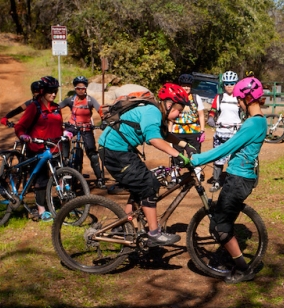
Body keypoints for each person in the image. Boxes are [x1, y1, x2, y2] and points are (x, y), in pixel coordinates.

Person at [190, 76, 267, 284]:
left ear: (248, 98)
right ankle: (233, 259)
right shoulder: (258, 121)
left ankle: (243, 269)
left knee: (221, 228)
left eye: (240, 99)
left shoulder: (252, 123)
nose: (238, 103)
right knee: (221, 223)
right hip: (239, 177)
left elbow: (226, 148)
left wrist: (197, 159)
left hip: (239, 179)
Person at [98, 83, 193, 247]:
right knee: (148, 184)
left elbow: (164, 134)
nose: (179, 114)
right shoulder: (153, 112)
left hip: (121, 150)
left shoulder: (157, 113)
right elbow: (154, 139)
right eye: (178, 109)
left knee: (142, 184)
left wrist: (184, 145)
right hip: (114, 151)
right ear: (169, 104)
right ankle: (154, 234)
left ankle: (122, 226)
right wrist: (177, 155)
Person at [13, 76, 71, 222]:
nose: (54, 94)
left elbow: (59, 126)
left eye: (55, 91)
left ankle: (66, 205)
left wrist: (65, 133)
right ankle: (42, 211)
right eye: (50, 91)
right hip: (37, 149)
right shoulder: (34, 107)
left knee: (61, 177)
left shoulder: (57, 108)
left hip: (54, 148)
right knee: (41, 181)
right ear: (43, 91)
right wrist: (23, 136)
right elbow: (20, 126)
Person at [59, 76, 105, 189]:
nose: (80, 90)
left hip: (86, 128)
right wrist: (56, 119)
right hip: (72, 127)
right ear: (75, 88)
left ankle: (99, 178)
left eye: (83, 88)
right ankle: (65, 161)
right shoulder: (70, 100)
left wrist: (103, 120)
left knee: (92, 154)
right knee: (64, 138)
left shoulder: (90, 100)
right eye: (78, 88)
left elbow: (100, 109)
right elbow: (56, 107)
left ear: (86, 88)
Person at [206, 71, 241, 192]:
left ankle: (232, 183)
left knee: (234, 158)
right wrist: (210, 118)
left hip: (235, 132)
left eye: (232, 83)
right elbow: (213, 110)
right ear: (223, 85)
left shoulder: (240, 97)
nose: (229, 86)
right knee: (218, 157)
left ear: (236, 84)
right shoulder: (219, 97)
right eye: (227, 83)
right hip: (221, 131)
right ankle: (216, 182)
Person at [169, 74, 206, 154]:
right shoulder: (174, 98)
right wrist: (169, 132)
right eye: (184, 85)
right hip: (177, 131)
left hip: (194, 131)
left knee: (195, 155)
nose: (186, 88)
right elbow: (170, 117)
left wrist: (202, 131)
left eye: (188, 86)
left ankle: (195, 167)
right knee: (177, 156)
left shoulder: (196, 98)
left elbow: (201, 115)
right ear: (180, 86)